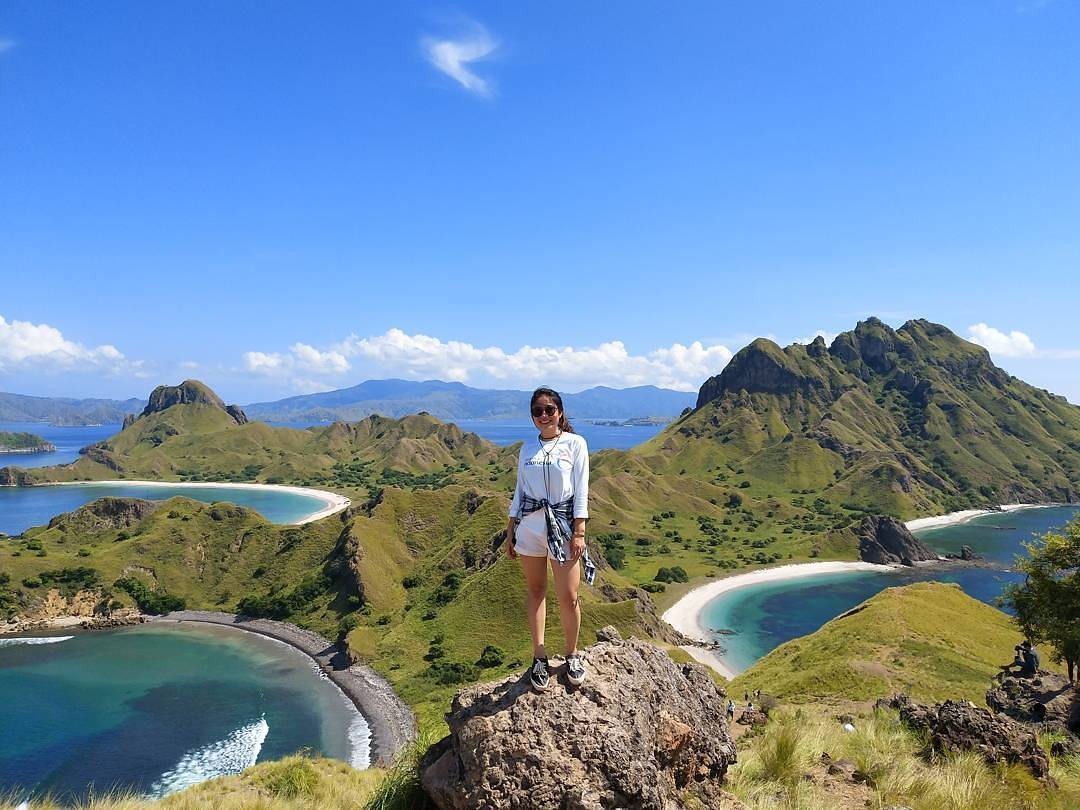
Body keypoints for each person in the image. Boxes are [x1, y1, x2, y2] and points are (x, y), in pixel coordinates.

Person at [505, 387, 596, 692]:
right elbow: (519, 490)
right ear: (532, 416)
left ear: (560, 412)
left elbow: (581, 489)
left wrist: (580, 530)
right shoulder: (526, 449)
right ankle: (540, 657)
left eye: (549, 409)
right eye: (537, 411)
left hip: (563, 528)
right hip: (529, 528)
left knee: (569, 597)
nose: (544, 415)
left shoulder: (575, 444)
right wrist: (511, 527)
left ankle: (572, 654)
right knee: (535, 591)